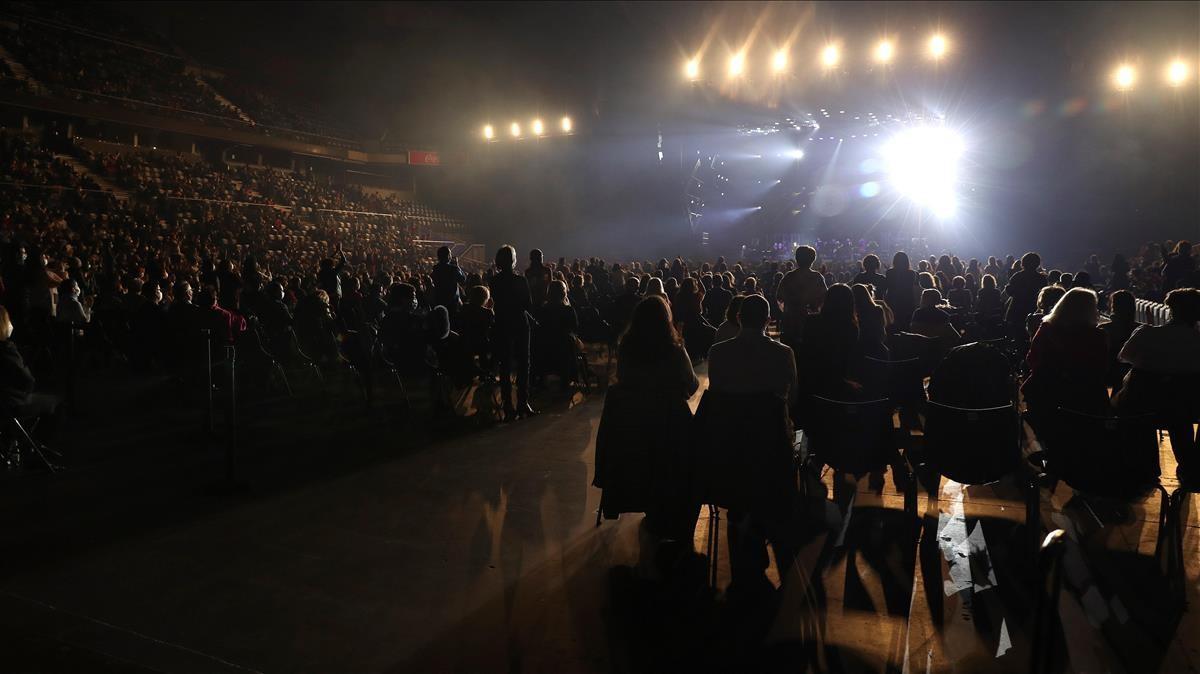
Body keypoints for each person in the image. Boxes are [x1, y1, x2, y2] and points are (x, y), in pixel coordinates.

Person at [595, 295, 700, 573]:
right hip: (668, 429)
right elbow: (690, 386)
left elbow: (623, 382)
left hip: (632, 429)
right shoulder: (674, 350)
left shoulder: (627, 347)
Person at [706, 295, 798, 594]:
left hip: (731, 446)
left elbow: (718, 394)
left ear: (739, 318)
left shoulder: (718, 352)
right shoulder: (783, 353)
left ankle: (743, 558)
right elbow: (791, 399)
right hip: (770, 447)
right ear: (768, 320)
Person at [1114, 288, 1200, 481]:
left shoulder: (1147, 333)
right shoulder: (1196, 340)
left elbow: (1123, 357)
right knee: (1180, 410)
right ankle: (1190, 465)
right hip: (1185, 408)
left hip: (1142, 404)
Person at [1021, 287, 1109, 425]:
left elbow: (1032, 358)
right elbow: (1101, 366)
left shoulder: (1047, 329)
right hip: (1086, 396)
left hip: (1048, 393)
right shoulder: (1096, 336)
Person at [0, 305, 61, 447]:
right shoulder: (6, 350)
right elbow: (27, 381)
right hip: (11, 403)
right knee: (56, 404)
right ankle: (38, 448)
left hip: (5, 402)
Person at [491, 245, 537, 419]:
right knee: (524, 364)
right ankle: (523, 403)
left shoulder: (494, 281)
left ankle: (508, 405)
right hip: (519, 323)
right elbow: (527, 305)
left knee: (505, 366)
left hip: (502, 323)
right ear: (513, 259)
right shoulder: (521, 280)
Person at [775, 245, 827, 347]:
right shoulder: (817, 277)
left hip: (790, 323)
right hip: (811, 324)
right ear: (812, 260)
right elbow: (824, 298)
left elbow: (779, 297)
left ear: (797, 259)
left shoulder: (789, 277)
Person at [534, 280, 580, 387]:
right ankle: (568, 376)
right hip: (563, 347)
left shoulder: (543, 310)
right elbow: (575, 327)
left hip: (545, 346)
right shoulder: (568, 310)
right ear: (563, 293)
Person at [1099, 290, 1142, 390]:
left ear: (1113, 306)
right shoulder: (1140, 329)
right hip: (1132, 372)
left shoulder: (1105, 329)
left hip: (1109, 371)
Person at [1004, 252, 1048, 340]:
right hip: (1034, 309)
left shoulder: (1017, 276)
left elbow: (1010, 290)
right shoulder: (1041, 278)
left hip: (1017, 309)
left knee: (1017, 336)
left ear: (1023, 263)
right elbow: (1044, 295)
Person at [884, 251, 918, 332]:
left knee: (893, 324)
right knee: (906, 325)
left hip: (893, 300)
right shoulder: (912, 273)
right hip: (907, 300)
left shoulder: (889, 272)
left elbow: (888, 286)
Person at [431, 246, 466, 319]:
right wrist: (457, 265)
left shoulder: (435, 268)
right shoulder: (453, 269)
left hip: (439, 300)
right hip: (452, 302)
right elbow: (463, 279)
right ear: (448, 256)